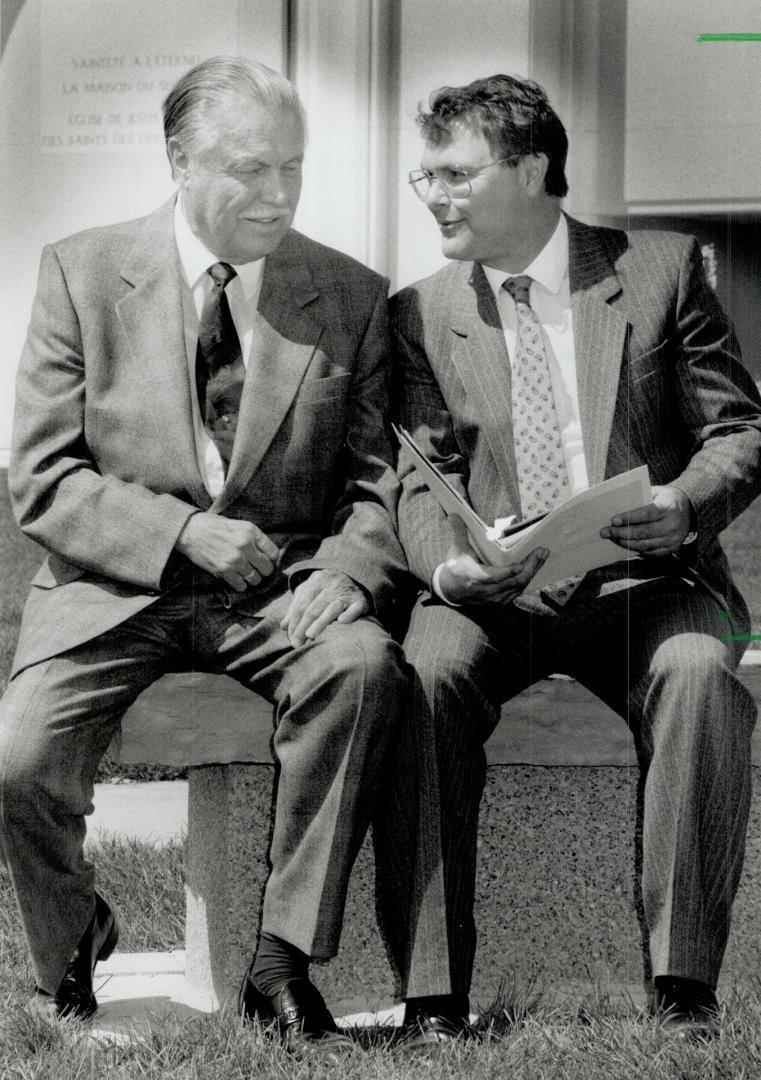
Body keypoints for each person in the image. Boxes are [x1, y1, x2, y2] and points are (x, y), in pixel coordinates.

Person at [0, 56, 408, 1060]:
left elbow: (375, 484)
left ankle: (280, 962)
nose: (277, 194)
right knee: (18, 760)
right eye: (249, 169)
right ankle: (67, 951)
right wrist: (180, 533)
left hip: (277, 593)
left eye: (294, 168)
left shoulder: (348, 294)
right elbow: (43, 479)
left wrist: (345, 572)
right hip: (110, 590)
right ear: (178, 160)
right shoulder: (81, 271)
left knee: (360, 668)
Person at [373, 73, 761, 1045]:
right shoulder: (417, 312)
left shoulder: (661, 269)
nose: (432, 194)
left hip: (644, 578)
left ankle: (682, 996)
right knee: (420, 674)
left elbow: (739, 431)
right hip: (490, 588)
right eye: (424, 174)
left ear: (533, 167)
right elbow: (416, 477)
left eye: (455, 173)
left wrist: (683, 504)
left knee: (700, 674)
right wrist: (446, 571)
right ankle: (429, 1003)